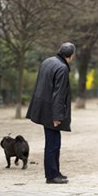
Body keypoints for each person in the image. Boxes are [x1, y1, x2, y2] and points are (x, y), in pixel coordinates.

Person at [26, 42, 76, 184]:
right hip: (51, 110)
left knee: (54, 141)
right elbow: (59, 94)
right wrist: (57, 116)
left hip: (42, 106)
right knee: (53, 143)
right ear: (71, 56)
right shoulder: (62, 68)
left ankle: (55, 171)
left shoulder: (48, 61)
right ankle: (51, 175)